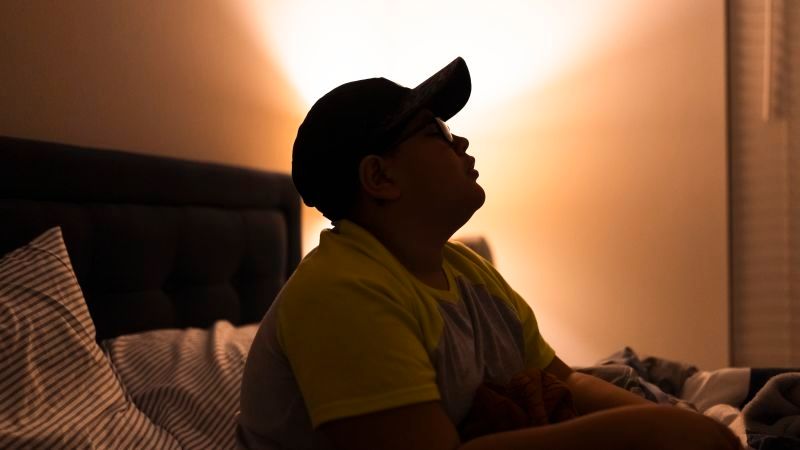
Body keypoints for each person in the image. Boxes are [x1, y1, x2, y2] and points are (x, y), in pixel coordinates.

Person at [237, 57, 742, 450]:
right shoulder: (340, 294)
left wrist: (668, 421)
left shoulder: (466, 270)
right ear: (380, 177)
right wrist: (647, 434)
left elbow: (564, 381)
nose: (461, 141)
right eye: (437, 133)